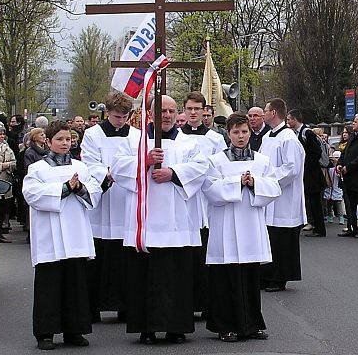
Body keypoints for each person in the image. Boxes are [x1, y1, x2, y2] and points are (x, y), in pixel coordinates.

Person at [112, 94, 208, 345]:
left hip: (177, 222)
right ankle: (147, 327)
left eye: (171, 111)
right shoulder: (135, 141)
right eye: (161, 111)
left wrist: (173, 173)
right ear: (150, 113)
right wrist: (144, 162)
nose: (166, 115)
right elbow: (118, 167)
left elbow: (201, 168)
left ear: (178, 114)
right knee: (146, 276)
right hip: (145, 221)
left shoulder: (189, 143)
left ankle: (176, 327)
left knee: (176, 276)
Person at [23, 121, 103, 350]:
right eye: (59, 139)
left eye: (68, 139)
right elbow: (32, 194)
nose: (65, 143)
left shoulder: (81, 166)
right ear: (48, 141)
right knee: (49, 285)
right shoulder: (38, 169)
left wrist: (79, 189)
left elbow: (94, 193)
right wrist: (65, 188)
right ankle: (45, 333)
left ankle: (74, 330)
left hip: (76, 232)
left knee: (75, 284)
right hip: (50, 234)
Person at [203, 113, 280, 342]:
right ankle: (225, 326)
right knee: (226, 278)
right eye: (236, 132)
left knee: (250, 275)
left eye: (244, 131)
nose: (240, 136)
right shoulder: (216, 161)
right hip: (226, 226)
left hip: (251, 227)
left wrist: (255, 183)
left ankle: (253, 323)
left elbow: (274, 187)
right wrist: (237, 182)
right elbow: (210, 190)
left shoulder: (262, 160)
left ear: (250, 132)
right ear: (228, 133)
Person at [80, 91, 138, 324]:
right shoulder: (92, 134)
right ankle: (93, 306)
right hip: (103, 199)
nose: (120, 121)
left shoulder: (137, 135)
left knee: (125, 258)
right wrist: (107, 175)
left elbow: (137, 161)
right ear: (107, 113)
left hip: (125, 198)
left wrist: (124, 175)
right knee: (98, 256)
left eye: (124, 117)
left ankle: (125, 306)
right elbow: (90, 162)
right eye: (116, 117)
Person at [180, 93, 227, 318]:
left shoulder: (215, 139)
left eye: (197, 109)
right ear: (184, 110)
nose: (193, 113)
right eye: (189, 108)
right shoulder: (177, 138)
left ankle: (207, 304)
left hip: (207, 201)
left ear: (204, 111)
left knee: (206, 254)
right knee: (186, 256)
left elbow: (219, 169)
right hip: (183, 200)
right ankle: (186, 303)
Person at [258, 98, 305, 292]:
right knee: (270, 238)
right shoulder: (269, 136)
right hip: (269, 197)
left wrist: (269, 181)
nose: (263, 113)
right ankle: (267, 275)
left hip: (284, 200)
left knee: (282, 240)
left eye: (265, 110)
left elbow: (291, 168)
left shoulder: (288, 138)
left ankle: (280, 277)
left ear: (274, 113)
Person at [286, 109, 326, 238]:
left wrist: (305, 165)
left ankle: (320, 229)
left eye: (288, 119)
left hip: (312, 175)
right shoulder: (297, 133)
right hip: (307, 174)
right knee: (309, 201)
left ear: (295, 119)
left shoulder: (306, 133)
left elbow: (316, 152)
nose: (287, 122)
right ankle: (313, 225)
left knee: (315, 202)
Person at [324, 151, 346, 225]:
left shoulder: (339, 168)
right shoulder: (329, 167)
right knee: (329, 203)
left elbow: (341, 177)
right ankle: (330, 215)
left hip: (337, 188)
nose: (336, 159)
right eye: (335, 157)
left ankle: (341, 217)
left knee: (338, 204)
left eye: (337, 158)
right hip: (329, 188)